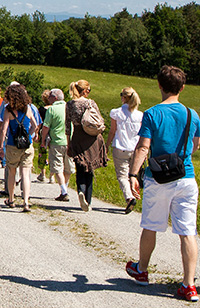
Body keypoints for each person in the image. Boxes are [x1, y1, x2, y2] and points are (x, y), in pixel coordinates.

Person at [125, 65, 200, 303]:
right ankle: (189, 285)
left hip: (158, 178)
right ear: (182, 87)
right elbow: (195, 145)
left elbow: (143, 147)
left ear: (159, 85)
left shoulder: (152, 114)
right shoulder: (192, 114)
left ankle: (142, 270)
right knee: (187, 231)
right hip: (186, 177)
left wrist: (133, 174)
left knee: (151, 225)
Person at [65, 79, 107, 212]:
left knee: (80, 168)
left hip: (77, 137)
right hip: (91, 138)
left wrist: (69, 143)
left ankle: (81, 191)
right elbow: (99, 120)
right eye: (88, 90)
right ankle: (88, 201)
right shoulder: (90, 103)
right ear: (84, 91)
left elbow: (67, 126)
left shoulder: (70, 104)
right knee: (90, 169)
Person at [0, 83, 38, 212]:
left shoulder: (8, 110)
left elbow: (4, 129)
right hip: (27, 145)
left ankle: (11, 199)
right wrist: (28, 135)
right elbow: (35, 126)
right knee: (25, 174)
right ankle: (26, 201)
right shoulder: (28, 109)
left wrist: (1, 145)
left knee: (12, 172)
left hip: (12, 144)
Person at [107, 87, 144, 214]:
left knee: (122, 175)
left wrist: (106, 145)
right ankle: (134, 193)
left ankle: (129, 197)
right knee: (133, 174)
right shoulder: (140, 115)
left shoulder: (116, 113)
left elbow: (112, 131)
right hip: (135, 148)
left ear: (123, 97)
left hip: (120, 147)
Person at [41, 88, 74, 201]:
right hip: (69, 141)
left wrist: (43, 141)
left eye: (50, 96)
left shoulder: (52, 109)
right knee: (68, 168)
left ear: (55, 98)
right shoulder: (69, 107)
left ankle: (64, 191)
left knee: (57, 167)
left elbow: (46, 126)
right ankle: (64, 188)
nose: (48, 98)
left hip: (56, 141)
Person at [35, 89, 51, 182]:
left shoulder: (41, 109)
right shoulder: (55, 109)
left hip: (43, 132)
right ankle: (52, 175)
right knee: (52, 153)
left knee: (42, 153)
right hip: (53, 133)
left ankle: (43, 174)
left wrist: (36, 133)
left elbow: (39, 123)